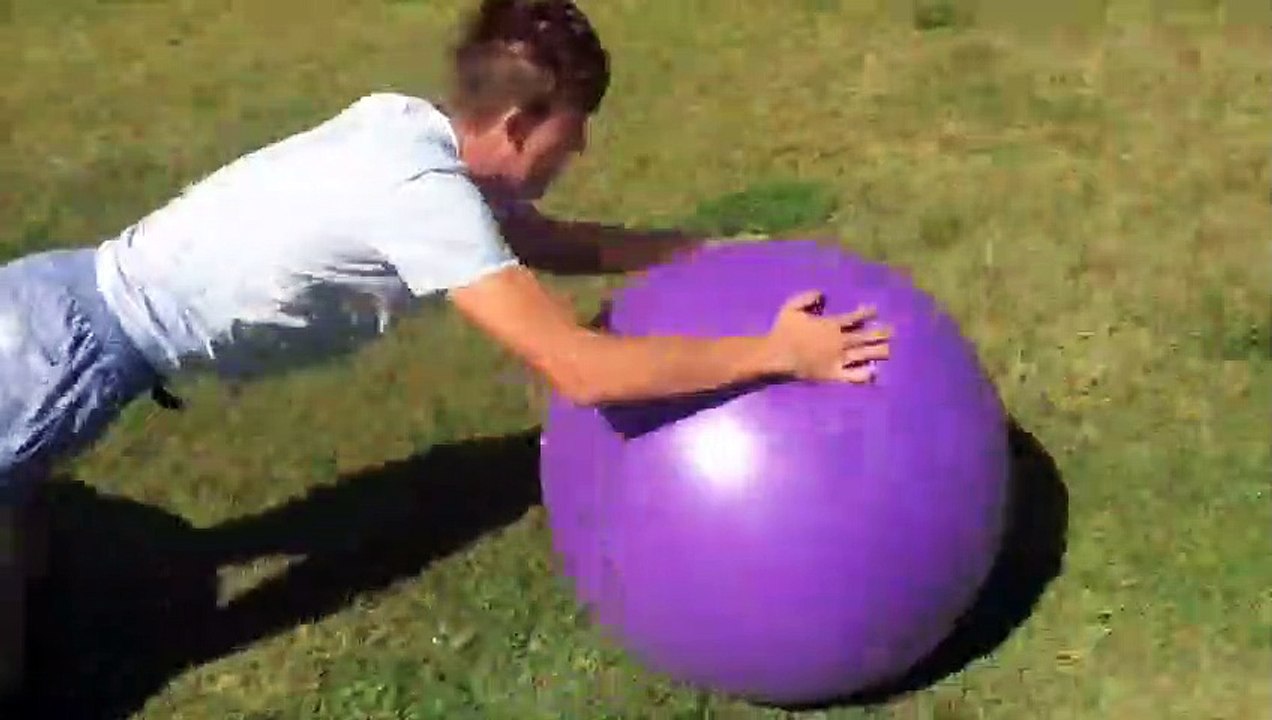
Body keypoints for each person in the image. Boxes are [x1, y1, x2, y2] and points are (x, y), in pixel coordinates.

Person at [0, 0, 891, 698]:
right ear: (515, 126)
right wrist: (782, 356)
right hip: (55, 354)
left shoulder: (406, 126)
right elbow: (582, 369)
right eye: (568, 138)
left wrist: (685, 253)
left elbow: (534, 240)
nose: (571, 155)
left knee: (25, 516)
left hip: (60, 313)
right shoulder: (421, 194)